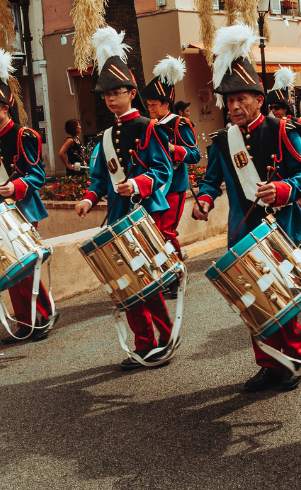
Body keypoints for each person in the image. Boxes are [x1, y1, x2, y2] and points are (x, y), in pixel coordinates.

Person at [193, 23, 301, 393]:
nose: (233, 107)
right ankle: (267, 363)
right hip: (243, 233)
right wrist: (203, 199)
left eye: (241, 99)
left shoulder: (282, 131)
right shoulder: (223, 141)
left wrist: (280, 189)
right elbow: (211, 180)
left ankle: (292, 360)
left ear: (258, 100)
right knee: (253, 302)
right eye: (229, 101)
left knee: (282, 298)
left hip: (280, 231)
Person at [76, 27, 175, 370]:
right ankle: (143, 343)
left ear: (132, 93)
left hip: (144, 215)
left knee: (146, 280)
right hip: (118, 218)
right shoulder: (105, 136)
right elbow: (99, 178)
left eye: (117, 93)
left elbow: (163, 171)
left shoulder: (148, 126)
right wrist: (89, 199)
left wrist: (138, 184)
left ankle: (165, 338)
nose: (112, 99)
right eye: (106, 95)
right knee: (125, 283)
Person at [0, 48, 55, 344]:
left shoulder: (24, 135)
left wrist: (15, 188)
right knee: (12, 270)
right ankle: (26, 322)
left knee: (25, 268)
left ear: (6, 107)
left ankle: (40, 318)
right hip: (0, 211)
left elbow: (37, 176)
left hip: (24, 210)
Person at [141, 55, 201, 300]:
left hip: (174, 186)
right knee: (155, 233)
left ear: (167, 103)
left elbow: (195, 154)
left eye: (155, 103)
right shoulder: (150, 125)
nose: (151, 108)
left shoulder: (179, 123)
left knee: (166, 232)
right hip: (156, 188)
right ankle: (165, 272)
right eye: (149, 104)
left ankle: (175, 276)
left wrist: (174, 149)